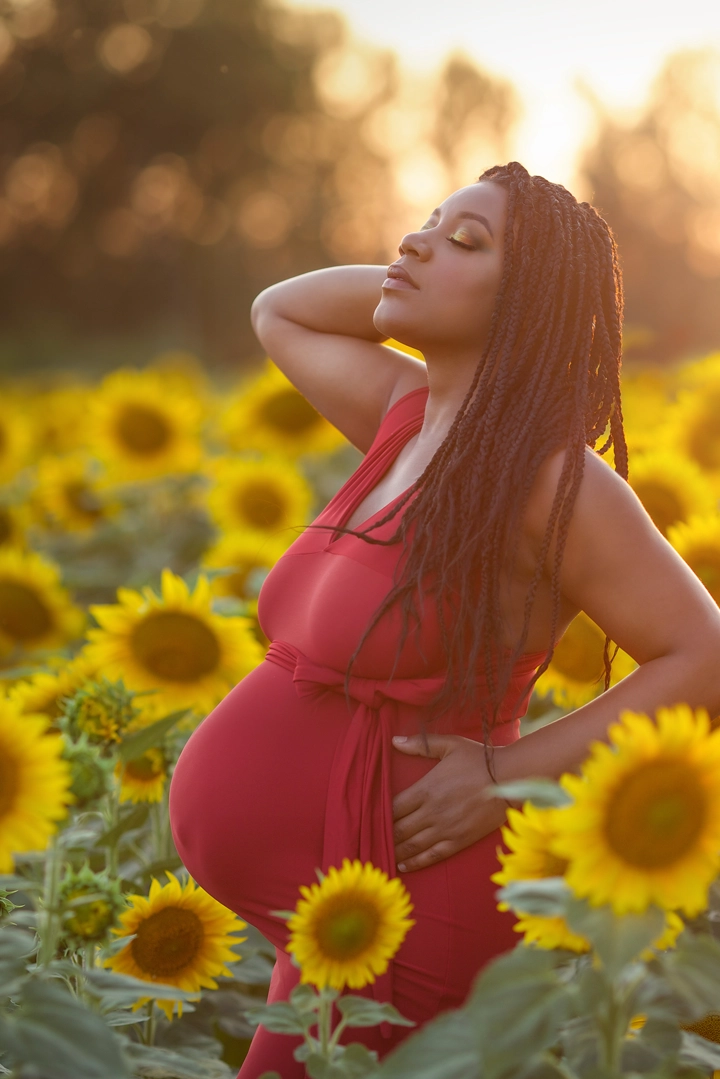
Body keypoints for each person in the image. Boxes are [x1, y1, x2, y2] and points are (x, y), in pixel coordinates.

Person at [168, 162, 720, 1077]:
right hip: (335, 907)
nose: (415, 240)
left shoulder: (555, 481)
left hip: (416, 901)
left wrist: (505, 771)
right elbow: (279, 309)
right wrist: (420, 269)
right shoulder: (405, 414)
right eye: (423, 222)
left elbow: (704, 654)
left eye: (467, 240)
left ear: (527, 301)